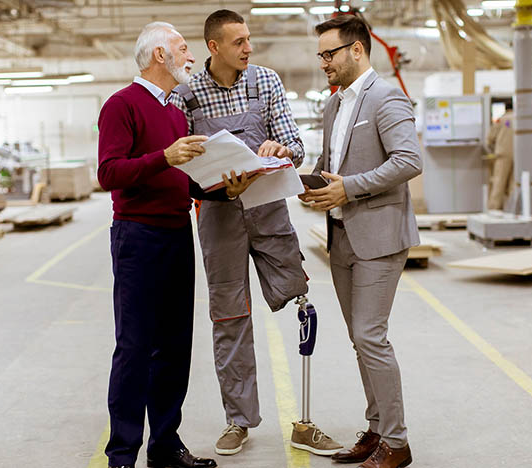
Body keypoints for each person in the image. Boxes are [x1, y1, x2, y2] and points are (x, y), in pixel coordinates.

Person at [170, 9, 341, 458]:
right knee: (229, 317)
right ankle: (238, 420)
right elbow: (182, 165)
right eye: (239, 42)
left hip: (267, 209)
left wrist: (280, 147)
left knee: (301, 302)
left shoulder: (265, 81)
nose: (249, 48)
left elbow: (296, 145)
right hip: (217, 215)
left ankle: (304, 420)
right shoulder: (187, 95)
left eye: (249, 39)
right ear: (214, 47)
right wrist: (211, 182)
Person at [97, 21, 257, 468]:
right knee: (134, 346)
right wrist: (164, 157)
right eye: (184, 50)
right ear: (159, 56)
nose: (191, 57)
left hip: (175, 233)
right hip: (138, 237)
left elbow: (182, 181)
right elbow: (109, 173)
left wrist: (227, 188)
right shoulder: (121, 105)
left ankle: (164, 445)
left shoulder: (173, 111)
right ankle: (123, 453)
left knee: (174, 346)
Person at [299, 15, 422, 468]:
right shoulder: (334, 105)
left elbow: (409, 160)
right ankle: (376, 429)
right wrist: (312, 183)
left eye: (329, 54)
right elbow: (331, 160)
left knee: (371, 336)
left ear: (356, 50)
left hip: (379, 235)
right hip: (341, 236)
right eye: (320, 55)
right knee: (360, 338)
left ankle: (397, 442)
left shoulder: (387, 97)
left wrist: (348, 188)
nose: (323, 63)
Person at [486, 100, 515, 210]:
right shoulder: (520, 119)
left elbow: (490, 138)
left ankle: (494, 209)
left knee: (499, 182)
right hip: (518, 154)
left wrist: (490, 146)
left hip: (503, 154)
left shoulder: (502, 119)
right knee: (514, 184)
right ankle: (513, 209)